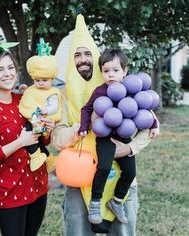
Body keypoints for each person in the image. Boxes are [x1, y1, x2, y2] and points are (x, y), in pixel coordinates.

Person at [51, 14, 159, 235]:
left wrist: (129, 148)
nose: (82, 59)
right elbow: (55, 135)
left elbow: (145, 122)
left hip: (120, 173)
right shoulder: (61, 95)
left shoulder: (123, 89)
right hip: (79, 176)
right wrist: (78, 131)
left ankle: (116, 201)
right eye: (77, 55)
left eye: (88, 54)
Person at [0, 48, 55, 236]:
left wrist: (46, 131)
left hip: (37, 184)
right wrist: (19, 142)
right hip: (10, 191)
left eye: (10, 67)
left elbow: (41, 141)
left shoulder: (24, 101)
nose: (7, 73)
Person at [78, 48, 159, 225]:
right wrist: (84, 126)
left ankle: (116, 201)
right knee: (103, 168)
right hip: (105, 136)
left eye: (115, 70)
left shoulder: (131, 90)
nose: (110, 75)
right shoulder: (100, 91)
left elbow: (143, 109)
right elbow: (86, 109)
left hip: (125, 136)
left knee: (130, 172)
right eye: (106, 71)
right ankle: (95, 202)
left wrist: (153, 124)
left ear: (125, 71)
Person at [19, 38, 61, 173]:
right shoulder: (34, 89)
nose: (41, 83)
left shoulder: (53, 93)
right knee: (37, 141)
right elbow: (31, 96)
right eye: (37, 80)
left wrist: (46, 110)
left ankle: (35, 155)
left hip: (43, 120)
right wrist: (25, 91)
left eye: (44, 80)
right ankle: (48, 158)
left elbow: (54, 107)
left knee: (28, 133)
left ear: (52, 79)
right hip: (35, 119)